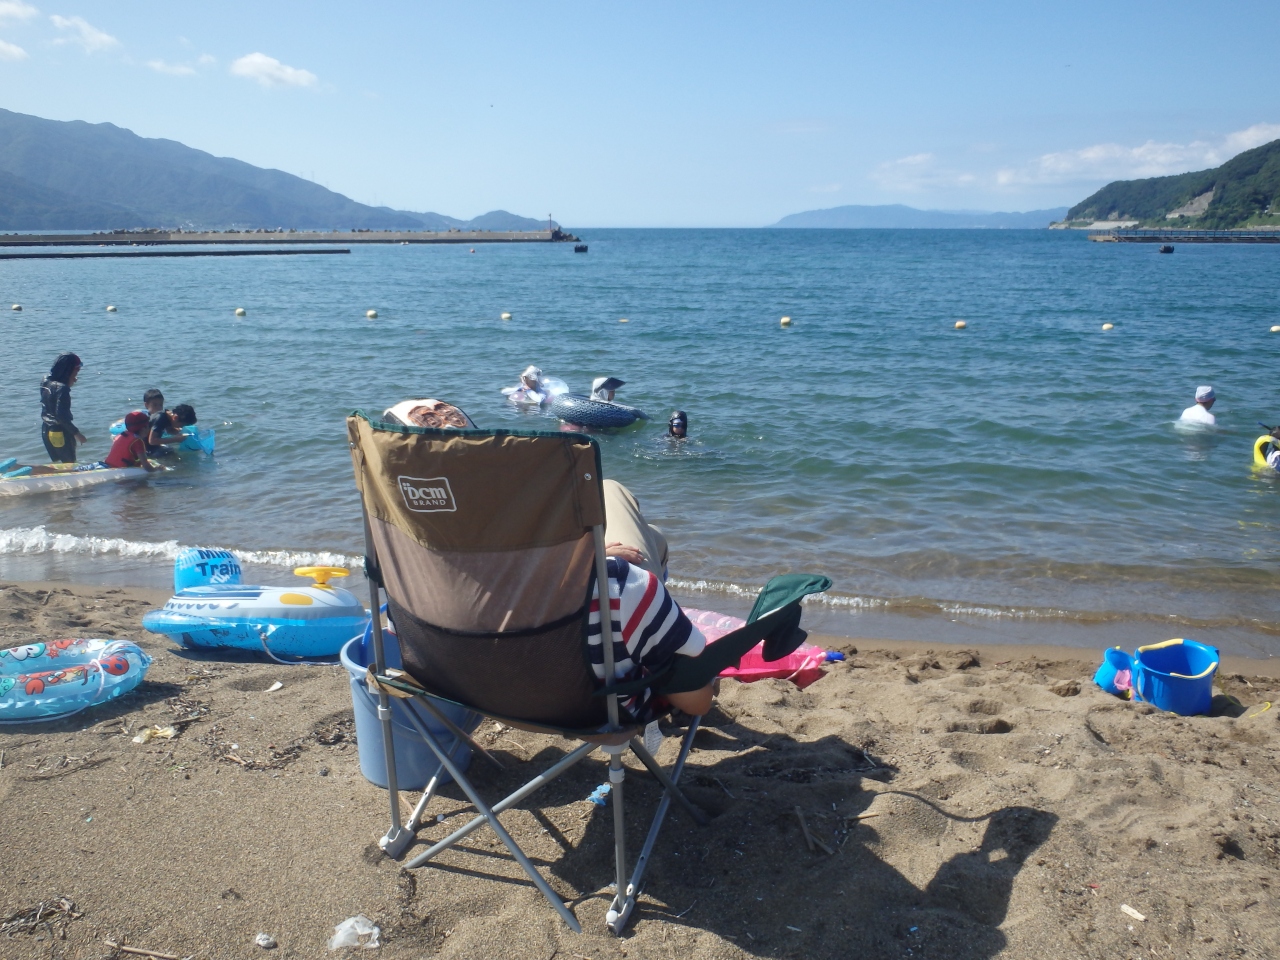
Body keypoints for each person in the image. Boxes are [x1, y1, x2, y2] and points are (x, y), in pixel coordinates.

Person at [591, 479, 714, 721]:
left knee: (654, 537)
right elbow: (697, 702)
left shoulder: (500, 593)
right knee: (608, 488)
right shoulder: (625, 583)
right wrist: (593, 559)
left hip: (514, 702)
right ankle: (662, 612)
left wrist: (581, 557)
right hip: (613, 703)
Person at [40, 352, 87, 463]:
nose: (77, 374)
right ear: (68, 370)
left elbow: (50, 399)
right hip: (59, 432)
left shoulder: (45, 380)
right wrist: (77, 434)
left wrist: (68, 380)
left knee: (59, 464)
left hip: (46, 430)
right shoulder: (62, 389)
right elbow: (61, 416)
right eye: (76, 371)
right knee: (70, 464)